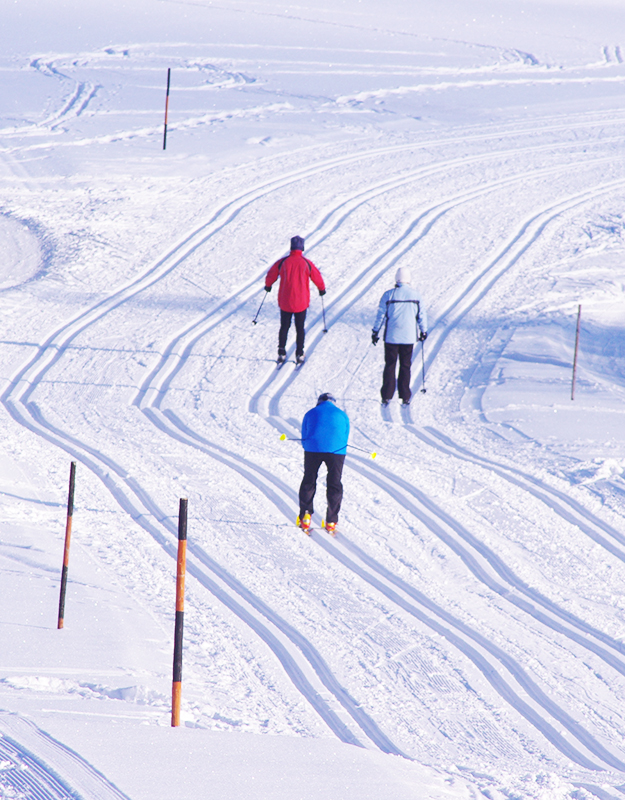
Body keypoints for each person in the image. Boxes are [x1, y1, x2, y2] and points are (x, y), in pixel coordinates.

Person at [265, 236, 326, 366]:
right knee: (300, 328)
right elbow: (317, 276)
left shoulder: (283, 262)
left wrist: (268, 285)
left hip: (285, 301)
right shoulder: (306, 263)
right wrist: (321, 289)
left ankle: (281, 352)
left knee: (284, 327)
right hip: (301, 302)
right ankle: (299, 353)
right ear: (302, 248)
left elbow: (271, 274)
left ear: (291, 247)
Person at [371, 267, 427, 406]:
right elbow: (421, 315)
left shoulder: (388, 295)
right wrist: (423, 331)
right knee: (405, 365)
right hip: (408, 338)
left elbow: (381, 315)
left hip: (391, 337)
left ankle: (387, 395)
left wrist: (375, 331)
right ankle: (405, 395)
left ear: (396, 279)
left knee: (390, 365)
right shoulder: (416, 296)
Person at [297, 393, 349, 535]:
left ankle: (305, 516)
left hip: (313, 448)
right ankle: (331, 521)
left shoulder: (310, 413)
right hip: (337, 450)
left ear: (319, 402)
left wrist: (308, 445)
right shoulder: (342, 414)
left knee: (309, 479)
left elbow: (304, 434)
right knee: (334, 482)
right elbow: (345, 435)